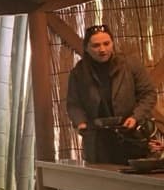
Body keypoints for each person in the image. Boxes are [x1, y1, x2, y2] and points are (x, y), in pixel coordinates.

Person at [65, 23, 158, 164]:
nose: (102, 49)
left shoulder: (130, 64)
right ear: (87, 48)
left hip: (131, 135)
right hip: (98, 139)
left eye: (106, 43)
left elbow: (148, 94)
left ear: (112, 43)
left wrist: (135, 117)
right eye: (96, 46)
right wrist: (81, 122)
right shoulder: (79, 73)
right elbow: (74, 104)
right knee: (102, 180)